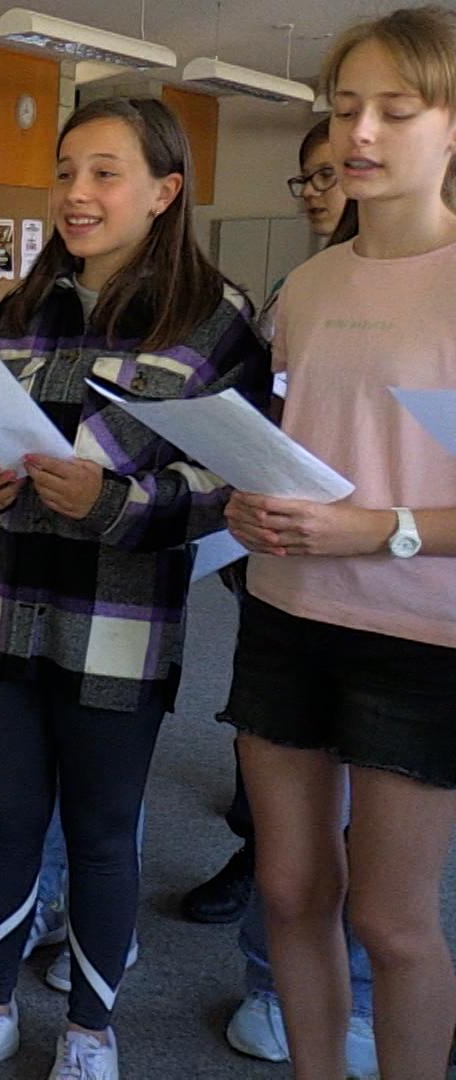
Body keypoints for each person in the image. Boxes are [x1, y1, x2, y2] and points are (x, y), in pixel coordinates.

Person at [0, 97, 270, 1080]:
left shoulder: (218, 317)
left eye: (105, 172)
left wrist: (118, 500)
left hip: (122, 618)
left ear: (165, 191)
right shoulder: (22, 306)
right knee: (8, 816)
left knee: (104, 831)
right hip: (6, 603)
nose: (78, 193)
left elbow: (234, 482)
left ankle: (88, 1033)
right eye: (67, 170)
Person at [224, 9, 456, 1079]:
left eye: (394, 111)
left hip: (418, 636)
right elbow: (292, 451)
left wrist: (380, 528)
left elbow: (385, 503)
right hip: (282, 611)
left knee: (393, 923)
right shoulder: (307, 288)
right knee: (288, 889)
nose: (360, 132)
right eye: (346, 107)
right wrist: (244, 503)